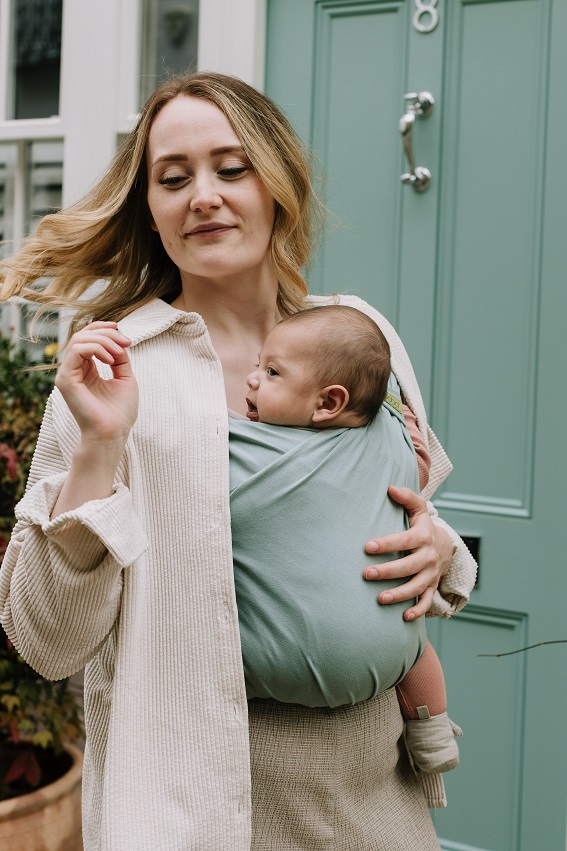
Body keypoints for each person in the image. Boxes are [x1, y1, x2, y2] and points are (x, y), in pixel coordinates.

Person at [0, 72, 476, 850]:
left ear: (277, 184)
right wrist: (99, 446)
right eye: (172, 178)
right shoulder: (114, 375)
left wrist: (438, 549)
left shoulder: (358, 337)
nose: (203, 196)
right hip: (195, 813)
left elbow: (399, 511)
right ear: (150, 210)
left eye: (231, 167)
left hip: (378, 800)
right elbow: (47, 641)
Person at [230, 304, 461, 808]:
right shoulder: (392, 434)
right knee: (419, 653)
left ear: (328, 403)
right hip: (263, 751)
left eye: (271, 372)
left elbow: (419, 503)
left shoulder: (354, 327)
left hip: (375, 775)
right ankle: (433, 727)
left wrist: (440, 542)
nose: (252, 379)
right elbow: (415, 468)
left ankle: (431, 731)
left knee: (415, 647)